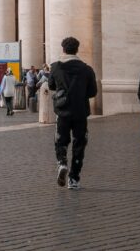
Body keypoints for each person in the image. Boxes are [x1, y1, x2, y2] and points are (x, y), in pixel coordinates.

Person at [49, 37, 98, 191]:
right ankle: (74, 178)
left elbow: (51, 85)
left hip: (62, 111)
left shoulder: (55, 67)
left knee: (60, 140)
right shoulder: (86, 69)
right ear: (77, 49)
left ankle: (62, 163)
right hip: (80, 112)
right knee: (79, 144)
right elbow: (93, 92)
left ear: (63, 49)